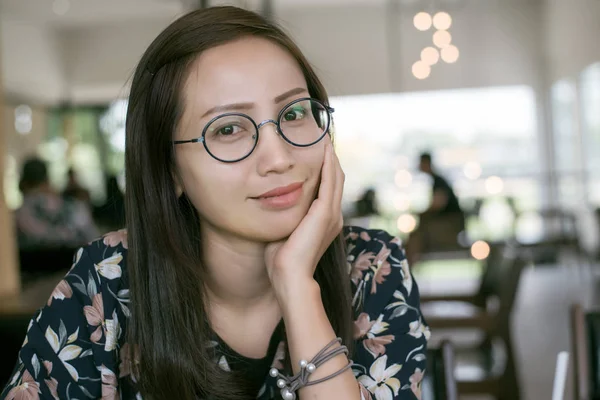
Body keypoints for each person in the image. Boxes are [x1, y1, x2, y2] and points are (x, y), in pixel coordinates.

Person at [1, 7, 428, 400]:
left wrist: (297, 285)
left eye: (295, 113)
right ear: (169, 171)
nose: (279, 158)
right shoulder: (108, 282)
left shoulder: (371, 266)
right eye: (227, 130)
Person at [14, 157, 98, 250]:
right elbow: (93, 239)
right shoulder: (75, 206)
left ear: (23, 183)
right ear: (47, 180)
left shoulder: (21, 212)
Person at [405, 152, 465, 265]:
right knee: (414, 235)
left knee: (415, 238)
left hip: (450, 225)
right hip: (449, 223)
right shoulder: (437, 180)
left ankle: (408, 268)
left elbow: (437, 205)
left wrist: (421, 214)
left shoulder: (438, 181)